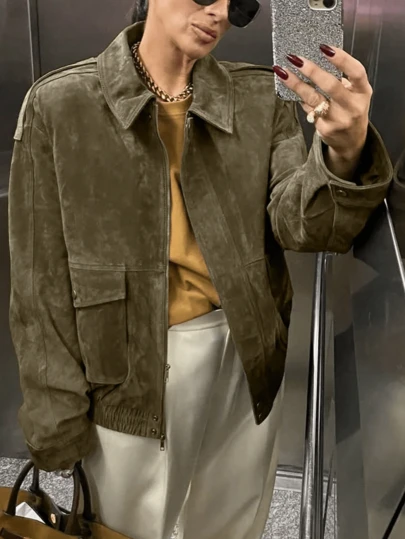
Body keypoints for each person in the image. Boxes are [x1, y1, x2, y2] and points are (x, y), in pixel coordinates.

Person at [8, 0, 393, 538]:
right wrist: (55, 415)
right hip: (125, 368)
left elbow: (303, 228)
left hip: (246, 356)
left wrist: (343, 153)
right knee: (122, 529)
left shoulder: (259, 96)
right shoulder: (60, 103)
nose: (219, 11)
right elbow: (38, 280)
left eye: (237, 2)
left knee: (230, 526)